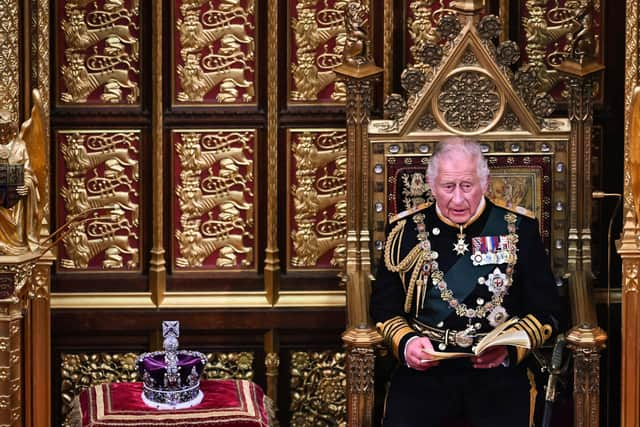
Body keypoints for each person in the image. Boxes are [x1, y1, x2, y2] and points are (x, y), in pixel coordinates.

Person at [371, 137, 561, 426]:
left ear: (484, 183)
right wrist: (407, 344)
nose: (458, 199)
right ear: (431, 185)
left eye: (467, 186)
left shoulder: (519, 229)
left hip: (496, 374)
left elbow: (547, 309)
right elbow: (384, 308)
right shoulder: (405, 231)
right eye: (448, 187)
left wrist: (509, 351)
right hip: (425, 373)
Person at [0, 109, 41, 255]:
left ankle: (16, 242)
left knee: (17, 233)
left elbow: (28, 172)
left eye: (5, 127)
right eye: (0, 128)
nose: (3, 132)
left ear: (11, 127)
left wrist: (26, 185)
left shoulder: (20, 146)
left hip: (15, 199)